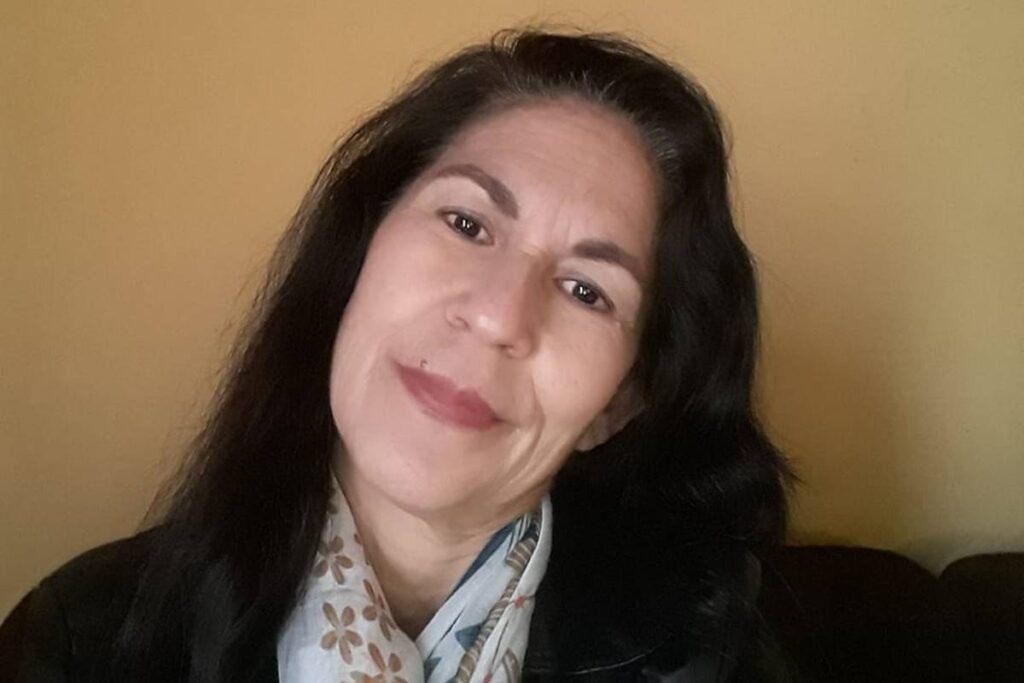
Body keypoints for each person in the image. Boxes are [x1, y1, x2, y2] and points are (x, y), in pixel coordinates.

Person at [1, 29, 790, 682]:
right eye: (467, 223)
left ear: (616, 404)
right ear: (360, 252)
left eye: (587, 290)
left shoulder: (707, 654)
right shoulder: (78, 642)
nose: (497, 314)